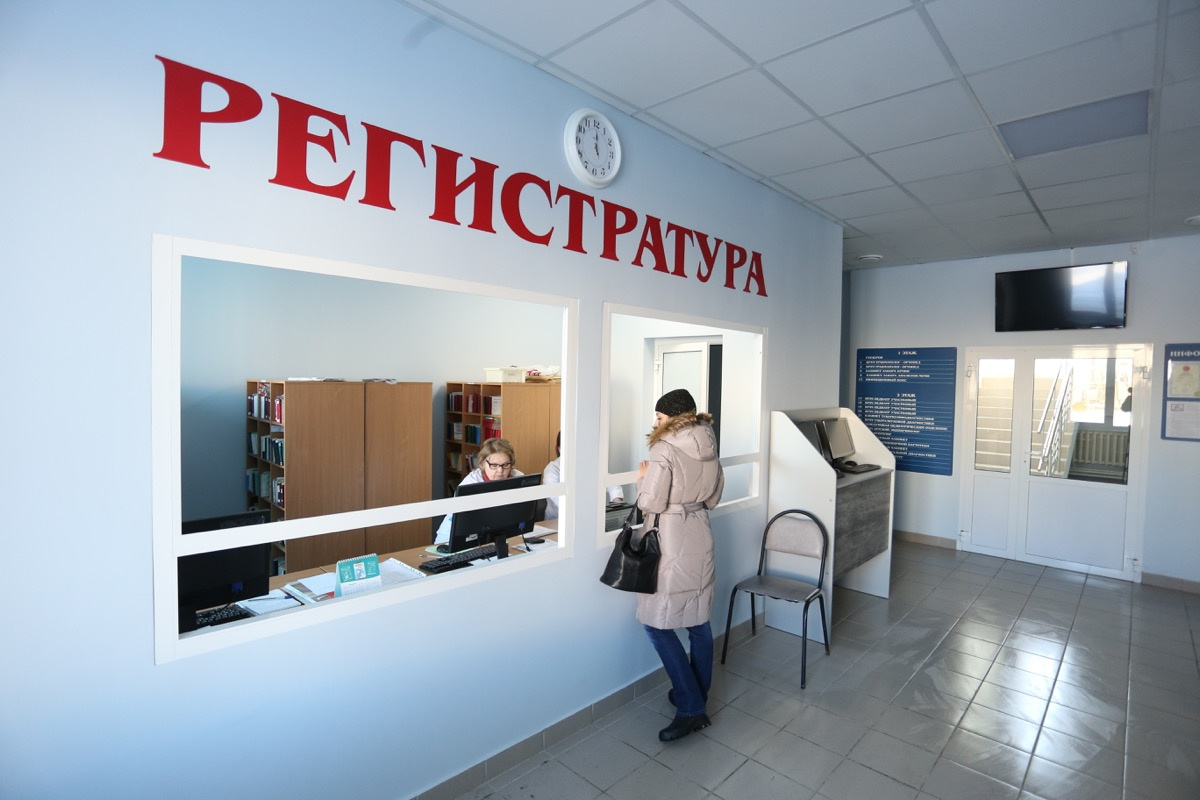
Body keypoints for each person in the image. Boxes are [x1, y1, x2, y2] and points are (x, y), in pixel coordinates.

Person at [635, 388, 724, 742]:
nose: (655, 423)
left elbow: (650, 502)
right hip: (701, 530)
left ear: (672, 416)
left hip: (671, 539)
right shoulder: (709, 441)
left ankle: (691, 709)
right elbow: (714, 497)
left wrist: (641, 480)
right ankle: (696, 693)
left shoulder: (664, 448)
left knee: (655, 624)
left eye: (659, 417)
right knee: (698, 621)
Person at [434, 438, 522, 545]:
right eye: (494, 465)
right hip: (451, 539)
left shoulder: (518, 478)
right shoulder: (471, 484)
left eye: (506, 465)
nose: (500, 471)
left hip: (493, 537)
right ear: (482, 463)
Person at [543, 432, 623, 520]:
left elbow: (609, 481)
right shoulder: (552, 469)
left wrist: (617, 503)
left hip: (586, 518)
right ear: (560, 449)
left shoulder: (586, 464)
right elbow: (557, 497)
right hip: (557, 520)